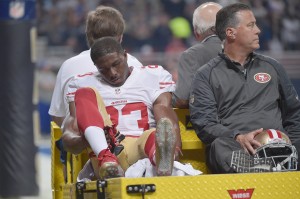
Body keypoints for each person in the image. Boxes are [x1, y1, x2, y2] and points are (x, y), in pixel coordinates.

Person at [189, 3, 300, 174]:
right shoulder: (205, 75)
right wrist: (237, 137)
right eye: (251, 25)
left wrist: (290, 142)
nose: (258, 30)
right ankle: (262, 169)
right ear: (230, 33)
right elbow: (205, 124)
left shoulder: (273, 67)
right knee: (219, 146)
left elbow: (294, 113)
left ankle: (281, 162)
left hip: (279, 144)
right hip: (239, 149)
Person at [62, 37, 182, 179]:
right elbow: (69, 140)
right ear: (96, 67)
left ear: (125, 56)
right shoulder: (81, 83)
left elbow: (166, 120)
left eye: (116, 64)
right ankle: (106, 159)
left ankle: (160, 159)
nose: (112, 73)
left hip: (141, 148)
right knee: (84, 93)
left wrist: (175, 149)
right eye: (104, 69)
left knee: (153, 134)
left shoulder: (152, 76)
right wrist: (86, 140)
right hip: (107, 148)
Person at [48, 6, 142, 128]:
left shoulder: (68, 66)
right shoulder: (135, 65)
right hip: (129, 141)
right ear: (120, 37)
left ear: (88, 36)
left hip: (79, 142)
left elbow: (58, 119)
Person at [172, 2, 222, 108]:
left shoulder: (191, 55)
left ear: (196, 33)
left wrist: (165, 97)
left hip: (211, 122)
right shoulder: (242, 50)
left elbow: (183, 99)